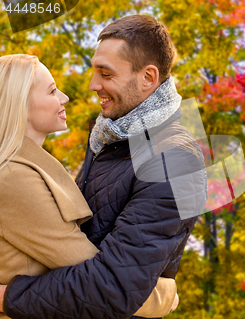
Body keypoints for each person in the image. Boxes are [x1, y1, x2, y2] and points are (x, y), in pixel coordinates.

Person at [0, 15, 207, 319]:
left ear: (148, 78)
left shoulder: (173, 159)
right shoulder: (109, 137)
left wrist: (8, 296)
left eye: (105, 74)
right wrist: (162, 296)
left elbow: (113, 288)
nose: (92, 85)